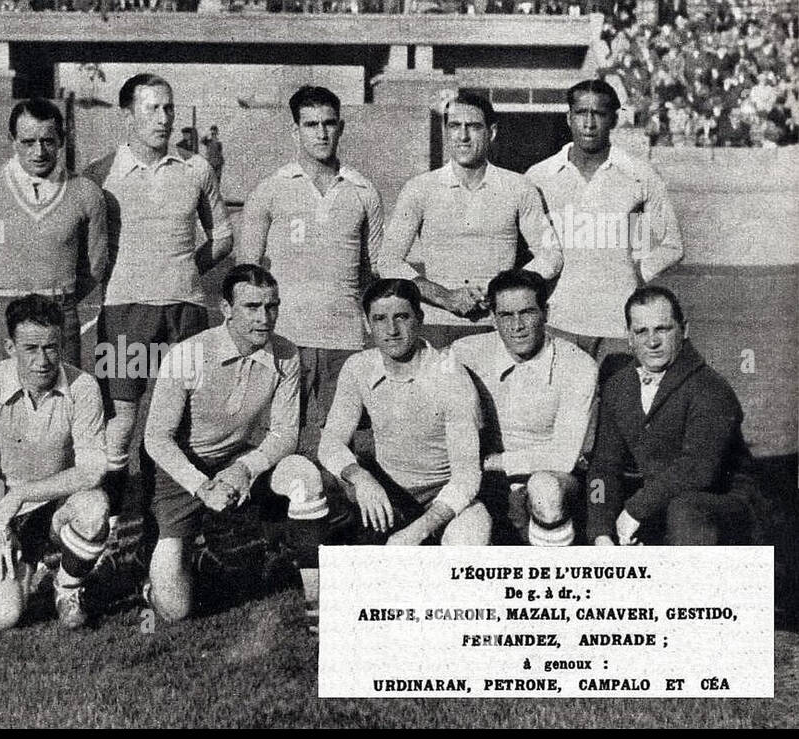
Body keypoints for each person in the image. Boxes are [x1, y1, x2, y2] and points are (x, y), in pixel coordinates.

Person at [83, 73, 233, 538]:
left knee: (184, 419)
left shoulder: (196, 168)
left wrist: (185, 266)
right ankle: (102, 527)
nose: (164, 118)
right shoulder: (100, 173)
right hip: (126, 312)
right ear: (127, 115)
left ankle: (175, 523)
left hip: (187, 311)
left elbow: (224, 237)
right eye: (152, 109)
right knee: (121, 421)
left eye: (168, 108)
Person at [142, 265, 329, 631]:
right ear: (226, 308)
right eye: (252, 307)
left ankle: (317, 608)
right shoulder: (188, 354)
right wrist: (202, 486)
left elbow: (285, 434)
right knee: (174, 610)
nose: (264, 318)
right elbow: (156, 438)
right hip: (186, 467)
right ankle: (160, 569)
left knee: (305, 477)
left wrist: (243, 469)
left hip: (241, 461)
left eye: (272, 306)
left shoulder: (287, 354)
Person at [237, 85, 384, 457]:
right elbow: (246, 274)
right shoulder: (269, 190)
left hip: (345, 341)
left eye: (329, 124)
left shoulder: (364, 191)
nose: (321, 133)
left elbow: (374, 272)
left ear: (342, 127)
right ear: (295, 130)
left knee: (346, 446)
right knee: (278, 441)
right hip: (286, 339)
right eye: (311, 124)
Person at [0, 295, 111, 631]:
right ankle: (33, 567)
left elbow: (93, 469)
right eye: (31, 348)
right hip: (2, 507)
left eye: (51, 347)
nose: (43, 360)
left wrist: (25, 493)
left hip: (57, 502)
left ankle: (67, 587)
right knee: (3, 618)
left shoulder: (83, 386)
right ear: (10, 347)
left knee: (94, 509)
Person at [379, 91, 562, 349]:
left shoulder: (519, 187)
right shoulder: (420, 188)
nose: (463, 136)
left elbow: (551, 256)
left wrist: (502, 288)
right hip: (437, 326)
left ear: (492, 132)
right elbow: (388, 260)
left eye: (474, 127)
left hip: (498, 327)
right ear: (445, 131)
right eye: (455, 126)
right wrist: (445, 296)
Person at [318, 278, 490, 547]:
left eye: (401, 317)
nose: (392, 330)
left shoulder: (450, 374)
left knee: (471, 536)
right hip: (387, 492)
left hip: (442, 495)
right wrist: (360, 478)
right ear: (366, 324)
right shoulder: (359, 366)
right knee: (318, 480)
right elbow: (330, 442)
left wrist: (417, 531)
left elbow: (467, 478)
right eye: (380, 319)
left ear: (419, 319)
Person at [526, 79, 684, 371]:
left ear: (613, 118)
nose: (588, 123)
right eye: (580, 113)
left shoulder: (639, 174)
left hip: (617, 323)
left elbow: (672, 244)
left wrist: (639, 272)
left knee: (615, 408)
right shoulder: (539, 176)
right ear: (568, 117)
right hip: (558, 318)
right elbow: (530, 249)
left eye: (598, 114)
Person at [587, 286, 756, 546]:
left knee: (685, 509)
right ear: (629, 337)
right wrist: (601, 531)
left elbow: (698, 470)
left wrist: (634, 511)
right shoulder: (618, 386)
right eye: (641, 331)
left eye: (662, 329)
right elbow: (603, 468)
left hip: (723, 505)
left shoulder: (711, 388)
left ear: (684, 330)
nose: (652, 341)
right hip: (658, 501)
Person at [450, 269, 598, 546]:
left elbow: (565, 456)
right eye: (506, 315)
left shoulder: (578, 365)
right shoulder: (465, 352)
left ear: (546, 313)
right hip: (488, 479)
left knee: (546, 490)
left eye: (527, 312)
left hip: (550, 475)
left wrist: (492, 462)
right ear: (493, 319)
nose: (517, 325)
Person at [0, 98, 108, 370]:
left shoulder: (86, 193)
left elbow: (94, 267)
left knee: (58, 405)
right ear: (12, 140)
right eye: (28, 142)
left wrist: (56, 298)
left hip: (57, 313)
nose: (39, 151)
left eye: (48, 141)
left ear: (62, 140)